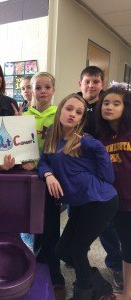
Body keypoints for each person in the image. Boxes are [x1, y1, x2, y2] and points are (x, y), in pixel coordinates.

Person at [38, 93, 118, 300]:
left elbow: (108, 177)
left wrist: (96, 146)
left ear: (82, 119)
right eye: (69, 109)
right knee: (62, 251)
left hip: (100, 201)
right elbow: (44, 161)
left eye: (79, 112)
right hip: (81, 204)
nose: (73, 114)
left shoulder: (85, 141)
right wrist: (48, 175)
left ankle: (84, 293)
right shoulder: (51, 139)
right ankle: (99, 286)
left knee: (78, 248)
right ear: (60, 111)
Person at [78, 66, 123, 289]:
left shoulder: (105, 109)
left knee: (108, 226)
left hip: (103, 175)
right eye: (87, 81)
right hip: (79, 175)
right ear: (80, 84)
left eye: (96, 81)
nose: (91, 85)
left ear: (101, 85)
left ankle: (115, 264)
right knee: (79, 218)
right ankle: (77, 255)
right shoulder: (74, 104)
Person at [22, 72, 65, 299]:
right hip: (29, 179)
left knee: (50, 226)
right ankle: (37, 269)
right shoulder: (24, 116)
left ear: (53, 89)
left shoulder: (59, 115)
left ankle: (55, 273)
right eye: (38, 87)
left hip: (51, 178)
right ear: (32, 90)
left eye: (47, 87)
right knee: (33, 227)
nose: (42, 91)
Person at [97, 86, 131, 300]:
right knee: (127, 247)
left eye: (116, 103)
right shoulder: (102, 138)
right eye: (106, 103)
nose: (109, 107)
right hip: (119, 204)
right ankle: (127, 293)